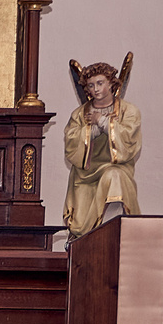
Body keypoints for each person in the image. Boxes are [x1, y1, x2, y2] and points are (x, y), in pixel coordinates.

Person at [63, 56, 141, 233]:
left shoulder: (128, 111)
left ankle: (110, 231)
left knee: (113, 176)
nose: (96, 89)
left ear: (111, 83)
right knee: (81, 222)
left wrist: (104, 122)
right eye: (91, 85)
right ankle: (92, 235)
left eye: (100, 83)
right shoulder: (79, 114)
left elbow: (129, 139)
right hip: (85, 175)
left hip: (117, 168)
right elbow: (71, 144)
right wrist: (93, 131)